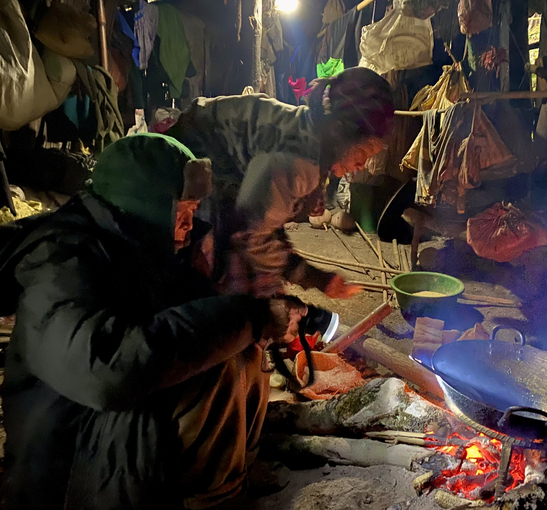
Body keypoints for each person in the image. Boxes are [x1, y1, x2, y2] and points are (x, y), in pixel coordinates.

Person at [0, 134, 305, 510]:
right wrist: (249, 318)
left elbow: (200, 310)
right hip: (65, 464)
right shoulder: (62, 261)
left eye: (193, 210)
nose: (189, 226)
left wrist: (265, 316)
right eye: (181, 212)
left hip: (107, 428)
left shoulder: (141, 243)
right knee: (219, 367)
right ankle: (211, 499)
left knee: (241, 347)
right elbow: (107, 372)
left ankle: (231, 484)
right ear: (145, 204)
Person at [168, 67, 395, 299]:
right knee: (226, 266)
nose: (363, 165)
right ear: (339, 132)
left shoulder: (316, 133)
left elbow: (264, 217)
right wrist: (313, 277)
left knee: (254, 260)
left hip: (214, 154)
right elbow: (249, 232)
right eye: (364, 152)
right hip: (187, 156)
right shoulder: (299, 163)